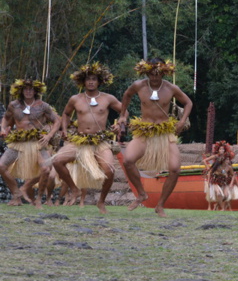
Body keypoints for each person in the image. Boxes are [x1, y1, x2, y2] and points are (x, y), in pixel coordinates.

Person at [118, 58, 192, 217]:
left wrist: (182, 121)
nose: (155, 77)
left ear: (164, 72)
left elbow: (188, 103)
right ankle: (142, 193)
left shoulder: (171, 88)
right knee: (128, 160)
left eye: (158, 74)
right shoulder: (139, 85)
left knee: (174, 169)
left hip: (164, 133)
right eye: (151, 74)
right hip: (144, 131)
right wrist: (122, 115)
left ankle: (160, 205)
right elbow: (127, 95)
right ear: (147, 73)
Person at [52, 63, 123, 213]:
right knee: (57, 161)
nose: (91, 82)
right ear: (83, 82)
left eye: (94, 79)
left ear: (99, 81)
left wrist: (121, 123)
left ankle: (101, 201)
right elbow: (65, 114)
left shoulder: (108, 98)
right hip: (80, 140)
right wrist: (64, 129)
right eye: (88, 79)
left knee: (109, 171)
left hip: (100, 142)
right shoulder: (75, 99)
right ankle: (74, 189)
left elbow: (124, 111)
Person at [0, 79, 60, 208]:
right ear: (21, 90)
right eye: (25, 89)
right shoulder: (14, 105)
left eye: (31, 89)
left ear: (35, 91)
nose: (28, 91)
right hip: (18, 142)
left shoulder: (43, 106)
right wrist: (3, 128)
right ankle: (16, 194)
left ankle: (38, 199)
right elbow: (6, 118)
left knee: (46, 168)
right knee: (1, 166)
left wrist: (49, 135)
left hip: (37, 142)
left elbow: (57, 121)